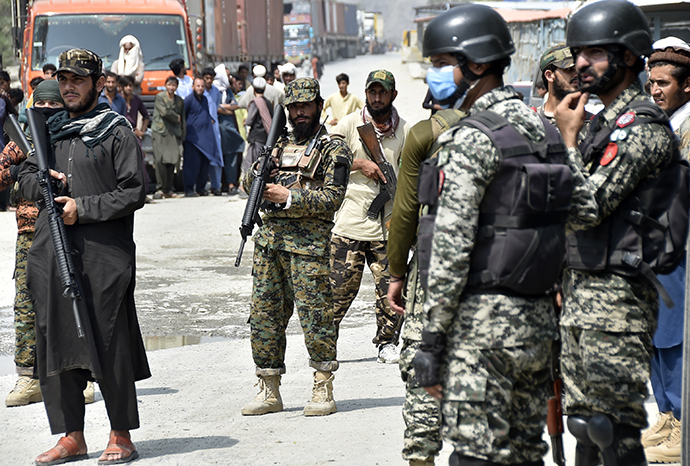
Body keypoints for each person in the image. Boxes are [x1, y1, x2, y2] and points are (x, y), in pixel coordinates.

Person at [411, 5, 577, 465]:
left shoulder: (471, 139)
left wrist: (432, 340)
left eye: (443, 64)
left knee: (478, 456)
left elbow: (450, 247)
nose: (435, 75)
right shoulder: (542, 130)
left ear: (477, 64)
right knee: (523, 454)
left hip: (483, 331)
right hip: (537, 325)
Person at [553, 2, 676, 464]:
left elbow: (585, 207)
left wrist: (566, 141)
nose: (581, 64)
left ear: (628, 56)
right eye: (577, 53)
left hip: (618, 303)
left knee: (614, 430)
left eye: (595, 54)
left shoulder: (640, 128)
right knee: (585, 426)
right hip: (582, 293)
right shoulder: (603, 124)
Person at [17, 48, 150, 465]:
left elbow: (134, 191)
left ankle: (120, 433)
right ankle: (71, 435)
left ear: (98, 83)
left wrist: (84, 208)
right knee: (54, 339)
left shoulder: (115, 131)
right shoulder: (48, 132)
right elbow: (21, 181)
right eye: (64, 79)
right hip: (51, 253)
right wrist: (40, 183)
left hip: (104, 258)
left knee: (110, 343)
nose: (69, 87)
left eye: (77, 80)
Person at [240, 77, 352, 417]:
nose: (299, 112)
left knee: (316, 317)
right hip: (270, 246)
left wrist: (289, 197)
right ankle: (270, 388)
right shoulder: (275, 145)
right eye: (294, 107)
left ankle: (322, 385)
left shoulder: (334, 149)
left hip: (309, 249)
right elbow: (247, 182)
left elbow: (333, 198)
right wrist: (259, 170)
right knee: (264, 319)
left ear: (319, 106)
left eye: (306, 106)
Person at [386, 23, 471, 466]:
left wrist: (395, 274)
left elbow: (402, 215)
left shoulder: (422, 134)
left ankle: (422, 454)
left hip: (431, 265)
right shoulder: (506, 126)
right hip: (490, 267)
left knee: (423, 360)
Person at [2, 80, 98, 407]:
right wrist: (21, 169)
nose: (45, 114)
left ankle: (82, 376)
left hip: (65, 231)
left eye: (52, 108)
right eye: (40, 109)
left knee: (72, 303)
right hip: (29, 237)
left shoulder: (71, 138)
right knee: (26, 307)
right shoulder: (22, 141)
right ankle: (28, 378)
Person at [634, 36, 690, 463]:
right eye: (651, 82)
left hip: (677, 248)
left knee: (673, 339)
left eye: (663, 83)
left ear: (686, 85)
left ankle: (683, 423)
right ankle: (668, 415)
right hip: (653, 245)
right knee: (655, 335)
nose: (655, 90)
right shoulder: (666, 122)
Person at [330, 69, 409, 364]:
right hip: (350, 224)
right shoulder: (350, 124)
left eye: (383, 92)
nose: (377, 98)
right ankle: (326, 343)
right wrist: (359, 163)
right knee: (337, 292)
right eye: (372, 92)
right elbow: (324, 158)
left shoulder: (404, 131)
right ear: (365, 94)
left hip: (388, 228)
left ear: (393, 95)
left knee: (391, 292)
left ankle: (387, 342)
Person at [537, 43, 592, 138]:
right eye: (569, 69)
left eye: (579, 69)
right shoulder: (533, 122)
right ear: (549, 75)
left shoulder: (595, 124)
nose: (577, 74)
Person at [151, 75, 185, 199]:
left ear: (176, 86)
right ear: (165, 85)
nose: (171, 87)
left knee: (172, 160)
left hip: (173, 133)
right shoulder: (160, 97)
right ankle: (160, 188)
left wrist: (182, 133)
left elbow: (183, 119)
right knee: (160, 161)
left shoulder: (179, 100)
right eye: (169, 85)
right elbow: (164, 112)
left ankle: (169, 189)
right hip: (160, 131)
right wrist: (176, 117)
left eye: (174, 85)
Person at [183, 77, 217, 196]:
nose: (200, 88)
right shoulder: (188, 100)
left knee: (204, 165)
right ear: (193, 87)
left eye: (202, 86)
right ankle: (188, 189)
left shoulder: (205, 100)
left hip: (205, 138)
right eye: (198, 86)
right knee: (192, 165)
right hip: (193, 139)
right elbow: (183, 116)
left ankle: (201, 188)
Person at [213, 64, 244, 195]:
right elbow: (213, 107)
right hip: (216, 128)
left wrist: (222, 108)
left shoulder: (228, 90)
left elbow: (235, 105)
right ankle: (218, 184)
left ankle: (231, 183)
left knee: (231, 155)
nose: (229, 77)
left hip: (228, 129)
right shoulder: (213, 90)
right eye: (227, 74)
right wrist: (225, 109)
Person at [241, 77, 273, 176]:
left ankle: (249, 184)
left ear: (253, 89)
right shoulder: (268, 102)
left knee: (251, 162)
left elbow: (250, 120)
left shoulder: (256, 102)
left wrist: (246, 122)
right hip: (265, 137)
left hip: (256, 138)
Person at [201, 66, 225, 196]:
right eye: (206, 78)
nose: (209, 80)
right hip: (202, 129)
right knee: (204, 157)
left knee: (216, 156)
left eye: (211, 78)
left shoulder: (216, 91)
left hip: (215, 129)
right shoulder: (199, 91)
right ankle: (202, 186)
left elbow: (216, 107)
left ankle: (216, 186)